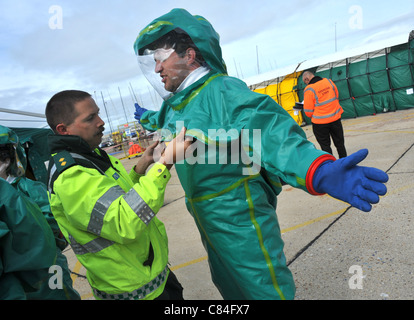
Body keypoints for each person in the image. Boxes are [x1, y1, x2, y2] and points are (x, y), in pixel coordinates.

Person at [132, 9, 389, 300]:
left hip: (239, 214)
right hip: (208, 218)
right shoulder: (178, 103)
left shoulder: (221, 91)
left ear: (190, 56)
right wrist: (147, 118)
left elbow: (267, 127)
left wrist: (315, 168)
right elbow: (168, 119)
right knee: (231, 286)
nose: (156, 69)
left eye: (159, 59)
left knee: (261, 287)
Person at [45, 90, 192, 300]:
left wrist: (141, 166)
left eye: (97, 113)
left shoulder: (90, 156)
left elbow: (117, 199)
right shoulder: (71, 176)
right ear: (63, 129)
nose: (101, 122)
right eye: (90, 118)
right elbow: (124, 222)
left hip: (152, 277)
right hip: (132, 292)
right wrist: (164, 163)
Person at [0, 125, 80, 300]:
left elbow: (54, 227)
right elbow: (54, 228)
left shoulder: (27, 189)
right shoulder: (27, 188)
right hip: (45, 269)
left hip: (42, 272)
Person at [302, 70, 347, 158]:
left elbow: (308, 112)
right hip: (335, 119)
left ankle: (331, 167)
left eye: (305, 82)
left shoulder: (309, 89)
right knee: (340, 144)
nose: (306, 84)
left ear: (307, 79)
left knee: (326, 147)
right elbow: (336, 96)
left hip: (320, 124)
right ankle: (345, 164)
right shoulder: (329, 82)